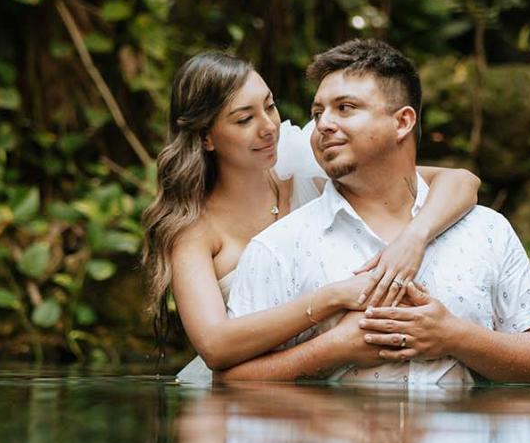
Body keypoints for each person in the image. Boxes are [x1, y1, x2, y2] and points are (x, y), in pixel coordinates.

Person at [218, 39, 530, 387]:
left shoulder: (486, 230)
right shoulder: (277, 247)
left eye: (345, 108)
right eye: (317, 113)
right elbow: (229, 383)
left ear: (402, 122)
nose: (323, 124)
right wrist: (331, 350)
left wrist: (455, 337)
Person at [141, 50, 480, 384]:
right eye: (245, 119)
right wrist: (332, 298)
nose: (268, 128)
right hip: (244, 392)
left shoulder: (302, 161)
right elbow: (214, 346)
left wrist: (413, 239)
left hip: (328, 385)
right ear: (206, 138)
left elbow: (460, 181)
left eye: (269, 106)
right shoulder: (192, 229)